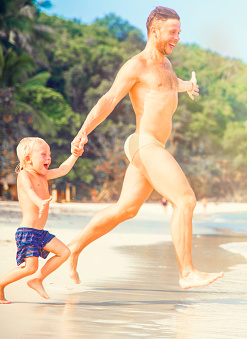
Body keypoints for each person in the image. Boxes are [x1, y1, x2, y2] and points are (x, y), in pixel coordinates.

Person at [67, 6, 223, 289]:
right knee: (186, 200)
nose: (177, 37)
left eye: (179, 32)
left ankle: (73, 248)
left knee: (126, 210)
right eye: (172, 32)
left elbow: (169, 84)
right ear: (155, 31)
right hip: (145, 143)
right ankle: (187, 272)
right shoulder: (136, 65)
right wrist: (83, 131)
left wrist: (188, 86)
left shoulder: (166, 66)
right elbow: (109, 99)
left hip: (153, 146)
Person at [0, 137, 83, 304]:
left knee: (64, 252)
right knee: (29, 267)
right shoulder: (24, 174)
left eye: (49, 154)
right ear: (28, 159)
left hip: (39, 232)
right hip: (27, 232)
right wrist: (40, 202)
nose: (49, 158)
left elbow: (63, 169)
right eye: (44, 155)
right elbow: (29, 191)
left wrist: (75, 155)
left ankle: (37, 279)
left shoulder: (44, 175)